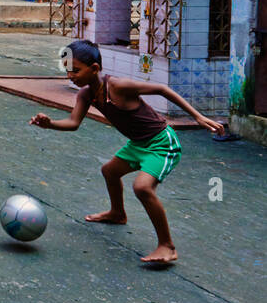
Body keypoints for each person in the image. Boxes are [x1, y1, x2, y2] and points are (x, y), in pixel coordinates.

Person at [30, 40, 225, 264]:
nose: (70, 76)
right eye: (67, 70)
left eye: (75, 70)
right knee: (110, 171)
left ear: (94, 68)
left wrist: (197, 117)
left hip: (161, 143)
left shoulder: (118, 86)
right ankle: (117, 214)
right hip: (138, 144)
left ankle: (167, 246)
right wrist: (50, 123)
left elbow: (162, 89)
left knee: (142, 188)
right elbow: (73, 123)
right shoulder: (85, 95)